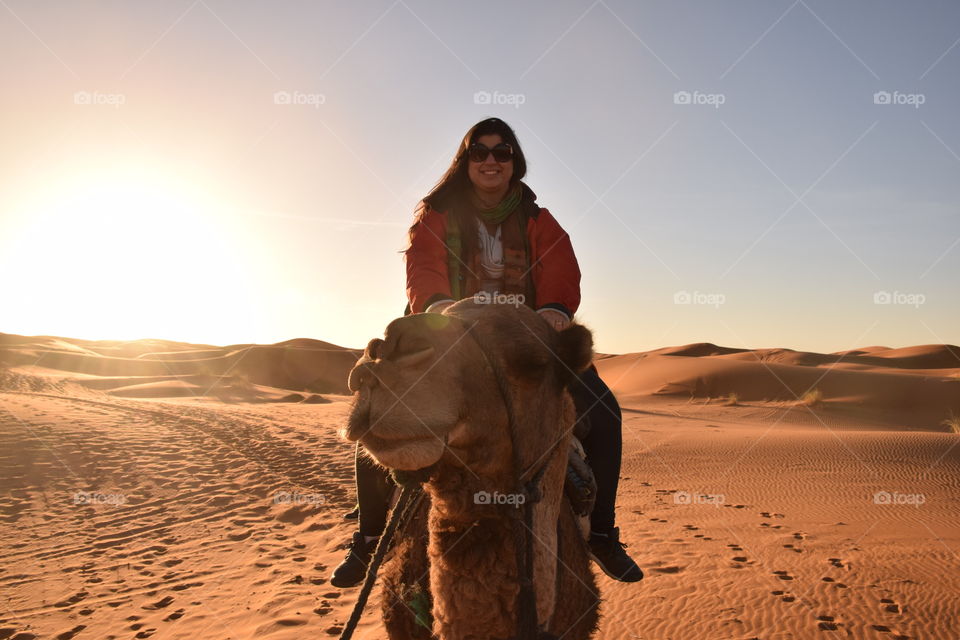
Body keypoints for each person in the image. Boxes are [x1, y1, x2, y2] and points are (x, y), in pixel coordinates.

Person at [331, 117, 642, 587]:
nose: (491, 161)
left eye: (502, 152)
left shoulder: (537, 217)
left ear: (514, 161)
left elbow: (561, 266)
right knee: (380, 410)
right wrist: (439, 310)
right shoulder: (436, 215)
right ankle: (369, 539)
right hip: (448, 335)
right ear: (466, 160)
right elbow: (424, 267)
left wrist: (556, 311)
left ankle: (601, 533)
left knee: (606, 412)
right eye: (480, 152)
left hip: (522, 338)